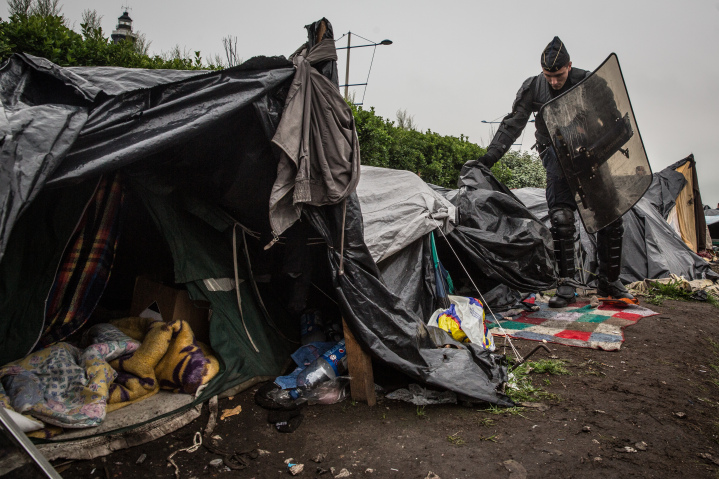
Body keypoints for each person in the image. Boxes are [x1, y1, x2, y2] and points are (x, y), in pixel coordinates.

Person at [468, 36, 636, 308]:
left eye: (558, 75)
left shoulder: (590, 82)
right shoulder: (534, 86)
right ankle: (566, 285)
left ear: (569, 65)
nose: (554, 82)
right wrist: (490, 157)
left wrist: (602, 137)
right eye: (549, 76)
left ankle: (610, 282)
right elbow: (513, 124)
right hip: (557, 155)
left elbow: (612, 119)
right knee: (561, 217)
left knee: (611, 217)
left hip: (590, 153)